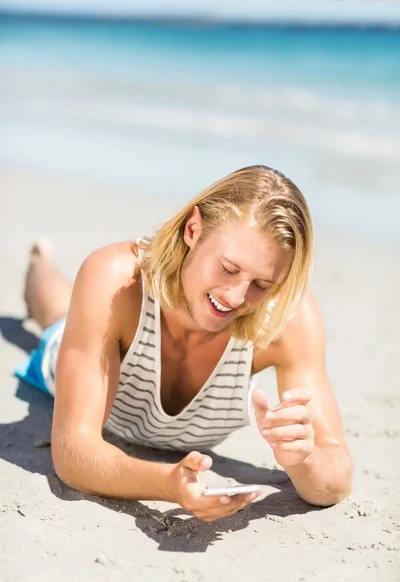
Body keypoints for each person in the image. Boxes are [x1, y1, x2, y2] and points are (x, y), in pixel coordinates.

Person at [16, 165, 352, 523]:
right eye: (228, 268)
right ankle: (41, 262)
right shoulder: (117, 281)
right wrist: (167, 483)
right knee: (55, 317)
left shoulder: (286, 317)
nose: (237, 297)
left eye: (261, 284)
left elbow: (336, 471)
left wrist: (304, 460)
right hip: (68, 355)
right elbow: (73, 453)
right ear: (194, 229)